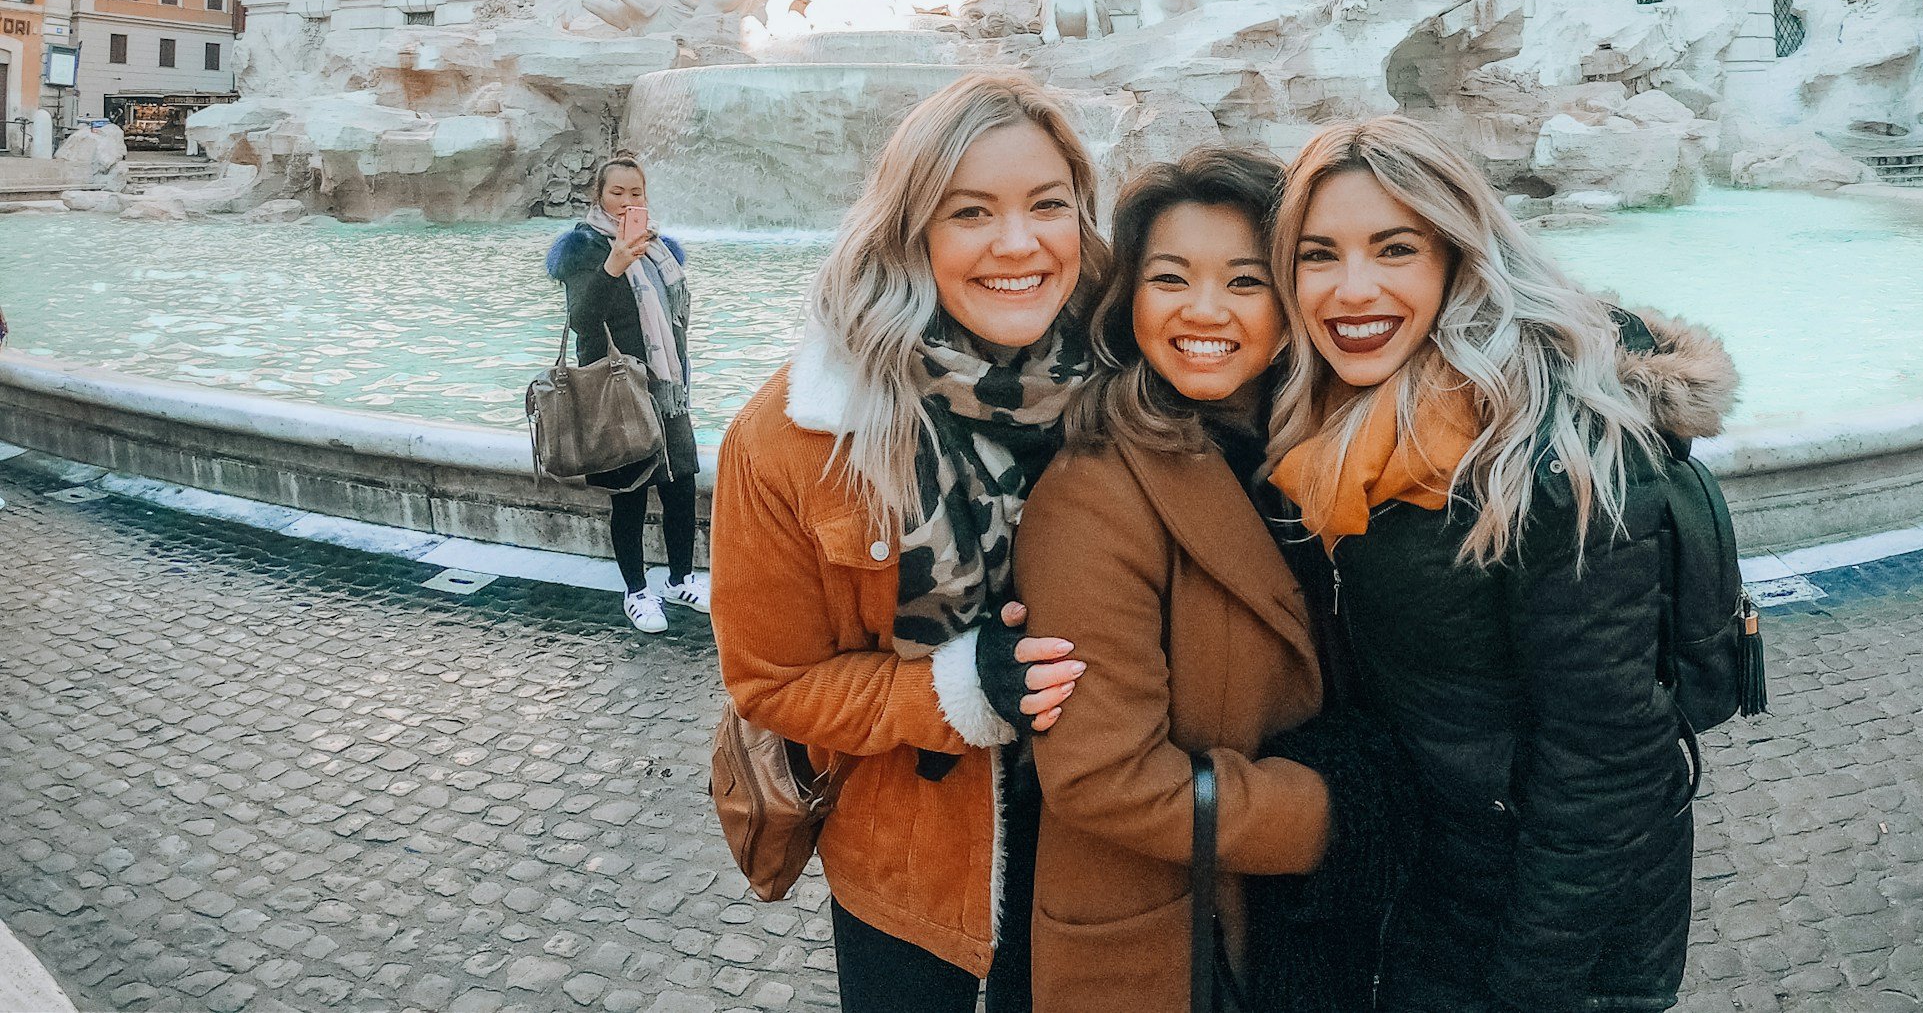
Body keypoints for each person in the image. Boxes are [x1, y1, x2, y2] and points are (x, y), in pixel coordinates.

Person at [1266, 116, 1738, 1013]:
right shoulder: (1340, 419)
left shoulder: (1558, 452)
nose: (1350, 289)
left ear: (1456, 256)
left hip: (1555, 933)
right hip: (1438, 882)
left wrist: (1531, 990)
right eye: (1318, 254)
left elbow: (1611, 771)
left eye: (1394, 248)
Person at [709, 73, 1106, 1013]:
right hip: (911, 870)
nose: (1019, 243)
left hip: (1106, 847)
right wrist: (959, 688)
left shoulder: (1128, 386)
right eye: (972, 212)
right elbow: (770, 681)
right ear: (912, 228)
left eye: (1047, 205)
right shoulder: (795, 435)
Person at [1016, 148, 1406, 1012]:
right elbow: (1101, 776)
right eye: (1170, 277)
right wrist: (1345, 812)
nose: (1203, 310)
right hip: (1174, 945)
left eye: (1243, 280)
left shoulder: (1319, 456)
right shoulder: (1094, 488)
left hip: (1294, 932)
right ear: (1130, 304)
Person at [548, 154, 706, 632]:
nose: (626, 201)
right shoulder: (582, 249)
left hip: (665, 387)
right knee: (630, 495)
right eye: (616, 192)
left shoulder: (659, 249)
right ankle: (637, 592)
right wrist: (613, 266)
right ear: (598, 195)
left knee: (680, 487)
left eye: (635, 193)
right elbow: (581, 319)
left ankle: (680, 579)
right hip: (617, 389)